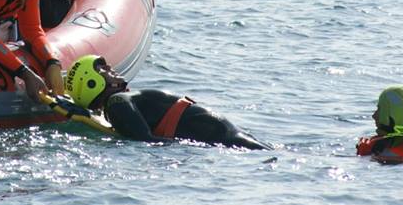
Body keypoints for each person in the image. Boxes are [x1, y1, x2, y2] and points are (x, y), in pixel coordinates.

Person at [63, 55, 270, 149]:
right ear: (90, 83)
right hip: (220, 134)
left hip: (218, 135)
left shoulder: (119, 104)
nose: (112, 70)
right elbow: (146, 141)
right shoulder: (117, 102)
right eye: (104, 71)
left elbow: (143, 139)